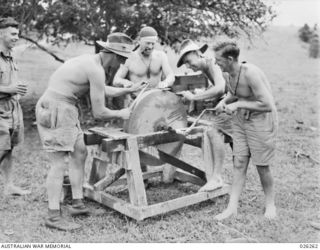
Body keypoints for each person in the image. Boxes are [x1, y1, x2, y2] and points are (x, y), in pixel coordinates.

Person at [36, 32, 144, 231]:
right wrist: (122, 113)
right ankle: (53, 215)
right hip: (56, 108)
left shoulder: (93, 63)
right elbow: (99, 112)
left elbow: (102, 89)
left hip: (65, 107)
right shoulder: (95, 69)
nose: (121, 64)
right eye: (121, 59)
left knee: (80, 153)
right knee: (59, 163)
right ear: (111, 53)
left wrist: (128, 90)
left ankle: (77, 204)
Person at [213, 41, 278, 220]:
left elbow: (267, 104)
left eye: (218, 59)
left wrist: (238, 104)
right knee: (239, 162)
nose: (215, 63)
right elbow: (235, 92)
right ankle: (232, 208)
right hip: (241, 120)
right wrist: (225, 101)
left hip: (260, 121)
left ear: (230, 59)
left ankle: (270, 205)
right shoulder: (227, 73)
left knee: (262, 166)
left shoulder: (251, 73)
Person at [113, 26, 176, 182]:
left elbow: (171, 75)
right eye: (147, 43)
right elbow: (116, 79)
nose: (150, 47)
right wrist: (127, 83)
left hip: (156, 103)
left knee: (165, 135)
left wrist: (165, 82)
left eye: (153, 44)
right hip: (135, 103)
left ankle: (168, 172)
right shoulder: (129, 57)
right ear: (139, 40)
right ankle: (142, 178)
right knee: (136, 140)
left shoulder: (161, 56)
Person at [176, 39, 233, 192]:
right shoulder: (207, 68)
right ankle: (226, 180)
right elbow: (218, 86)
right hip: (231, 102)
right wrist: (198, 94)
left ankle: (216, 178)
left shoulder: (213, 63)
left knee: (213, 131)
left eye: (189, 61)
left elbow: (220, 88)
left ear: (198, 53)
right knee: (230, 140)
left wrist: (194, 97)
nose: (188, 66)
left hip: (238, 102)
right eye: (185, 64)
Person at [0, 17, 30, 196]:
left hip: (13, 108)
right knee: (2, 148)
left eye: (17, 34)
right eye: (12, 34)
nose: (16, 37)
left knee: (9, 147)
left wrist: (16, 89)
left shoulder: (10, 55)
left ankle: (9, 185)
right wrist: (9, 89)